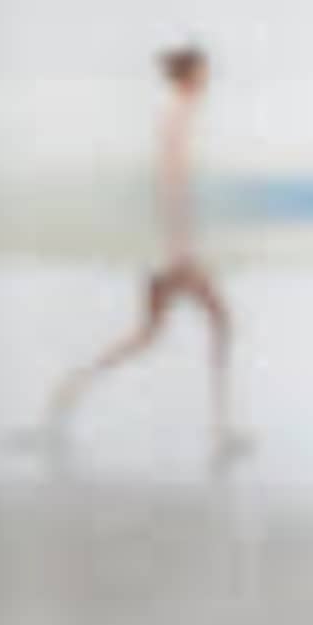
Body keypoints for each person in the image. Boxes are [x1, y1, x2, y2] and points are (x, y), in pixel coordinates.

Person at [49, 42, 248, 466]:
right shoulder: (177, 118)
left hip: (165, 247)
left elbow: (174, 184)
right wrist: (180, 249)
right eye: (203, 73)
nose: (207, 80)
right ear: (188, 76)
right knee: (220, 323)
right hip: (173, 249)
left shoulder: (180, 116)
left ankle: (71, 389)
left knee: (148, 335)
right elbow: (171, 185)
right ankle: (222, 430)